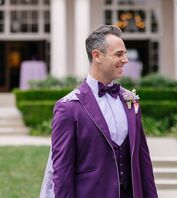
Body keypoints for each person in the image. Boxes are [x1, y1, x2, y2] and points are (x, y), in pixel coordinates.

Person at [40, 25, 158, 198]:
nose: (125, 60)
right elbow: (62, 172)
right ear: (97, 56)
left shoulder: (130, 101)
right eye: (119, 54)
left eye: (125, 54)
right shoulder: (69, 107)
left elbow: (143, 161)